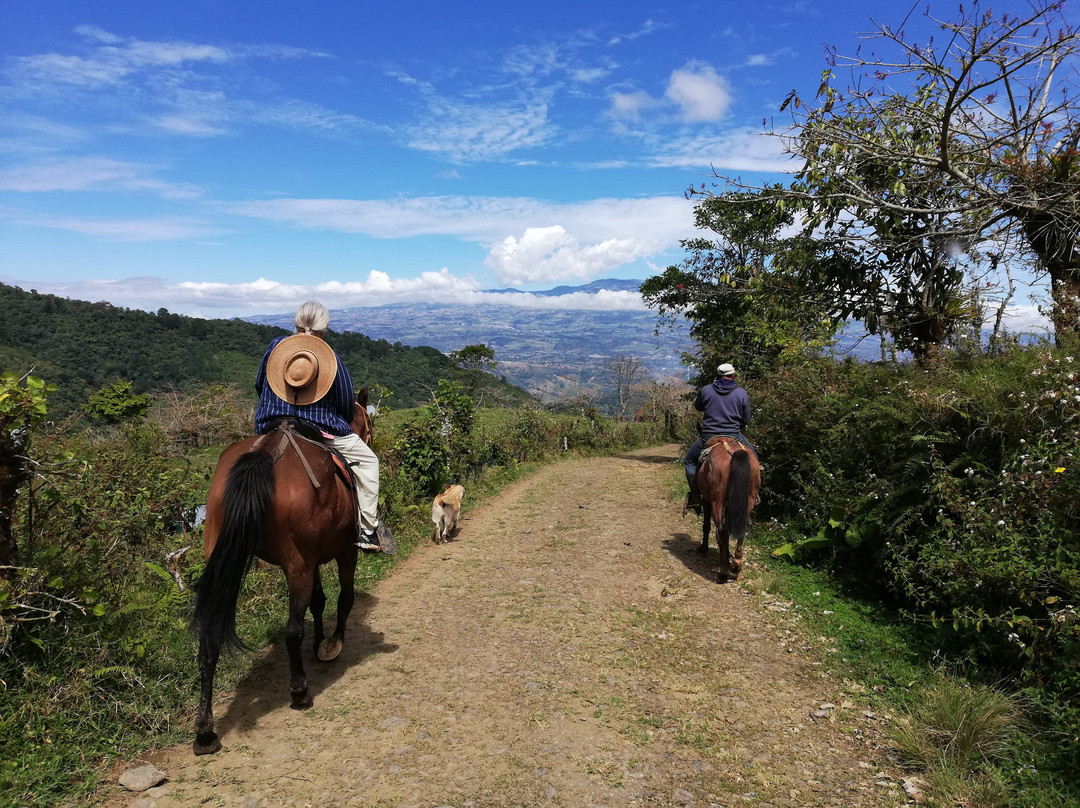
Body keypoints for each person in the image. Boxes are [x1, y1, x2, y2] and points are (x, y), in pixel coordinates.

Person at [254, 301, 392, 553]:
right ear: (323, 330)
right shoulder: (329, 357)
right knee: (370, 462)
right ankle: (368, 531)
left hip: (270, 422)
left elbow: (260, 385)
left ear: (296, 324)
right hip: (319, 427)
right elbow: (344, 403)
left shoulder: (275, 347)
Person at [683, 362, 756, 512]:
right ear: (733, 375)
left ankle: (696, 496)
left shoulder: (707, 390)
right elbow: (746, 419)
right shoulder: (741, 392)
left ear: (718, 375)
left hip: (709, 435)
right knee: (755, 460)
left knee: (690, 461)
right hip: (734, 434)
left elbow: (698, 407)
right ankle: (754, 494)